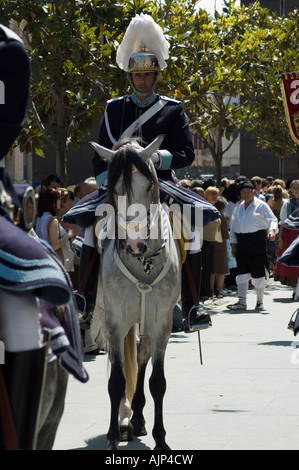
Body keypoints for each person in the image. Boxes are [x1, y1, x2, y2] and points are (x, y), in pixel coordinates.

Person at [64, 13, 219, 334]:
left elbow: (185, 153)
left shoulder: (172, 109)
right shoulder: (114, 108)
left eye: (148, 74)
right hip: (119, 184)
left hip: (161, 183)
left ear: (156, 75)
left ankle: (193, 305)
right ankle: (85, 299)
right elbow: (100, 155)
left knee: (190, 226)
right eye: (138, 75)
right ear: (130, 77)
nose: (143, 80)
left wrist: (158, 159)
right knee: (95, 227)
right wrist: (109, 183)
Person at [0, 24, 87, 450]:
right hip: (114, 174)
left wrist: (158, 158)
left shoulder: (5, 49)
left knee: (25, 296)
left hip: (154, 178)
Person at [228, 179, 278, 311]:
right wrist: (233, 245)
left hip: (257, 242)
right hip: (242, 243)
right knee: (242, 273)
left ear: (254, 192)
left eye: (248, 191)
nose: (246, 194)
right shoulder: (238, 207)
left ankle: (260, 301)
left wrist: (272, 230)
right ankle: (241, 302)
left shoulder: (261, 205)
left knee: (259, 273)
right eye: (243, 192)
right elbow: (233, 227)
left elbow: (272, 219)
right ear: (240, 193)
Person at [35, 188, 75, 273]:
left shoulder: (40, 218)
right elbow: (54, 245)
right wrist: (68, 235)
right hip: (55, 265)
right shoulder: (52, 220)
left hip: (44, 261)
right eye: (59, 199)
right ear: (53, 202)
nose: (60, 201)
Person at [210, 196, 229, 297]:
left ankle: (211, 289)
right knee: (222, 268)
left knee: (212, 268)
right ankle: (219, 289)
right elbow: (226, 234)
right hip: (220, 244)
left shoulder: (211, 215)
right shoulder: (222, 217)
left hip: (211, 243)